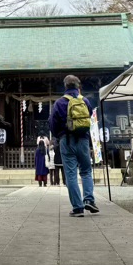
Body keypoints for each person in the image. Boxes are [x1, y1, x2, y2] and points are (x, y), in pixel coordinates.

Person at [49, 75, 99, 217]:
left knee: (71, 174)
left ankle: (77, 208)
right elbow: (88, 118)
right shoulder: (85, 101)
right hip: (83, 140)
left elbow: (53, 124)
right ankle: (89, 200)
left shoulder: (59, 103)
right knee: (86, 171)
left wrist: (59, 136)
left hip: (67, 140)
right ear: (78, 86)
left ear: (65, 86)